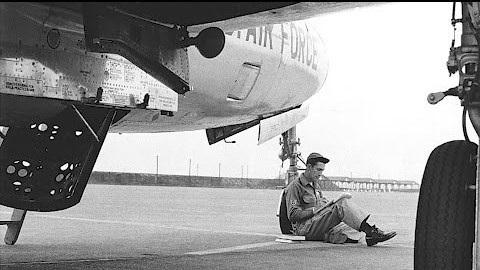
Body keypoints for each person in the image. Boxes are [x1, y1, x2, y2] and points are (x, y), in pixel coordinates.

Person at [285, 152, 397, 246]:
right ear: (309, 167)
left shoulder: (315, 185)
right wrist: (315, 209)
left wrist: (327, 205)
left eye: (322, 170)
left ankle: (341, 235)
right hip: (305, 228)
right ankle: (371, 232)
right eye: (318, 170)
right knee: (342, 204)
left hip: (316, 223)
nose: (321, 174)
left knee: (352, 226)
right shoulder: (295, 186)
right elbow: (292, 215)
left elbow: (321, 205)